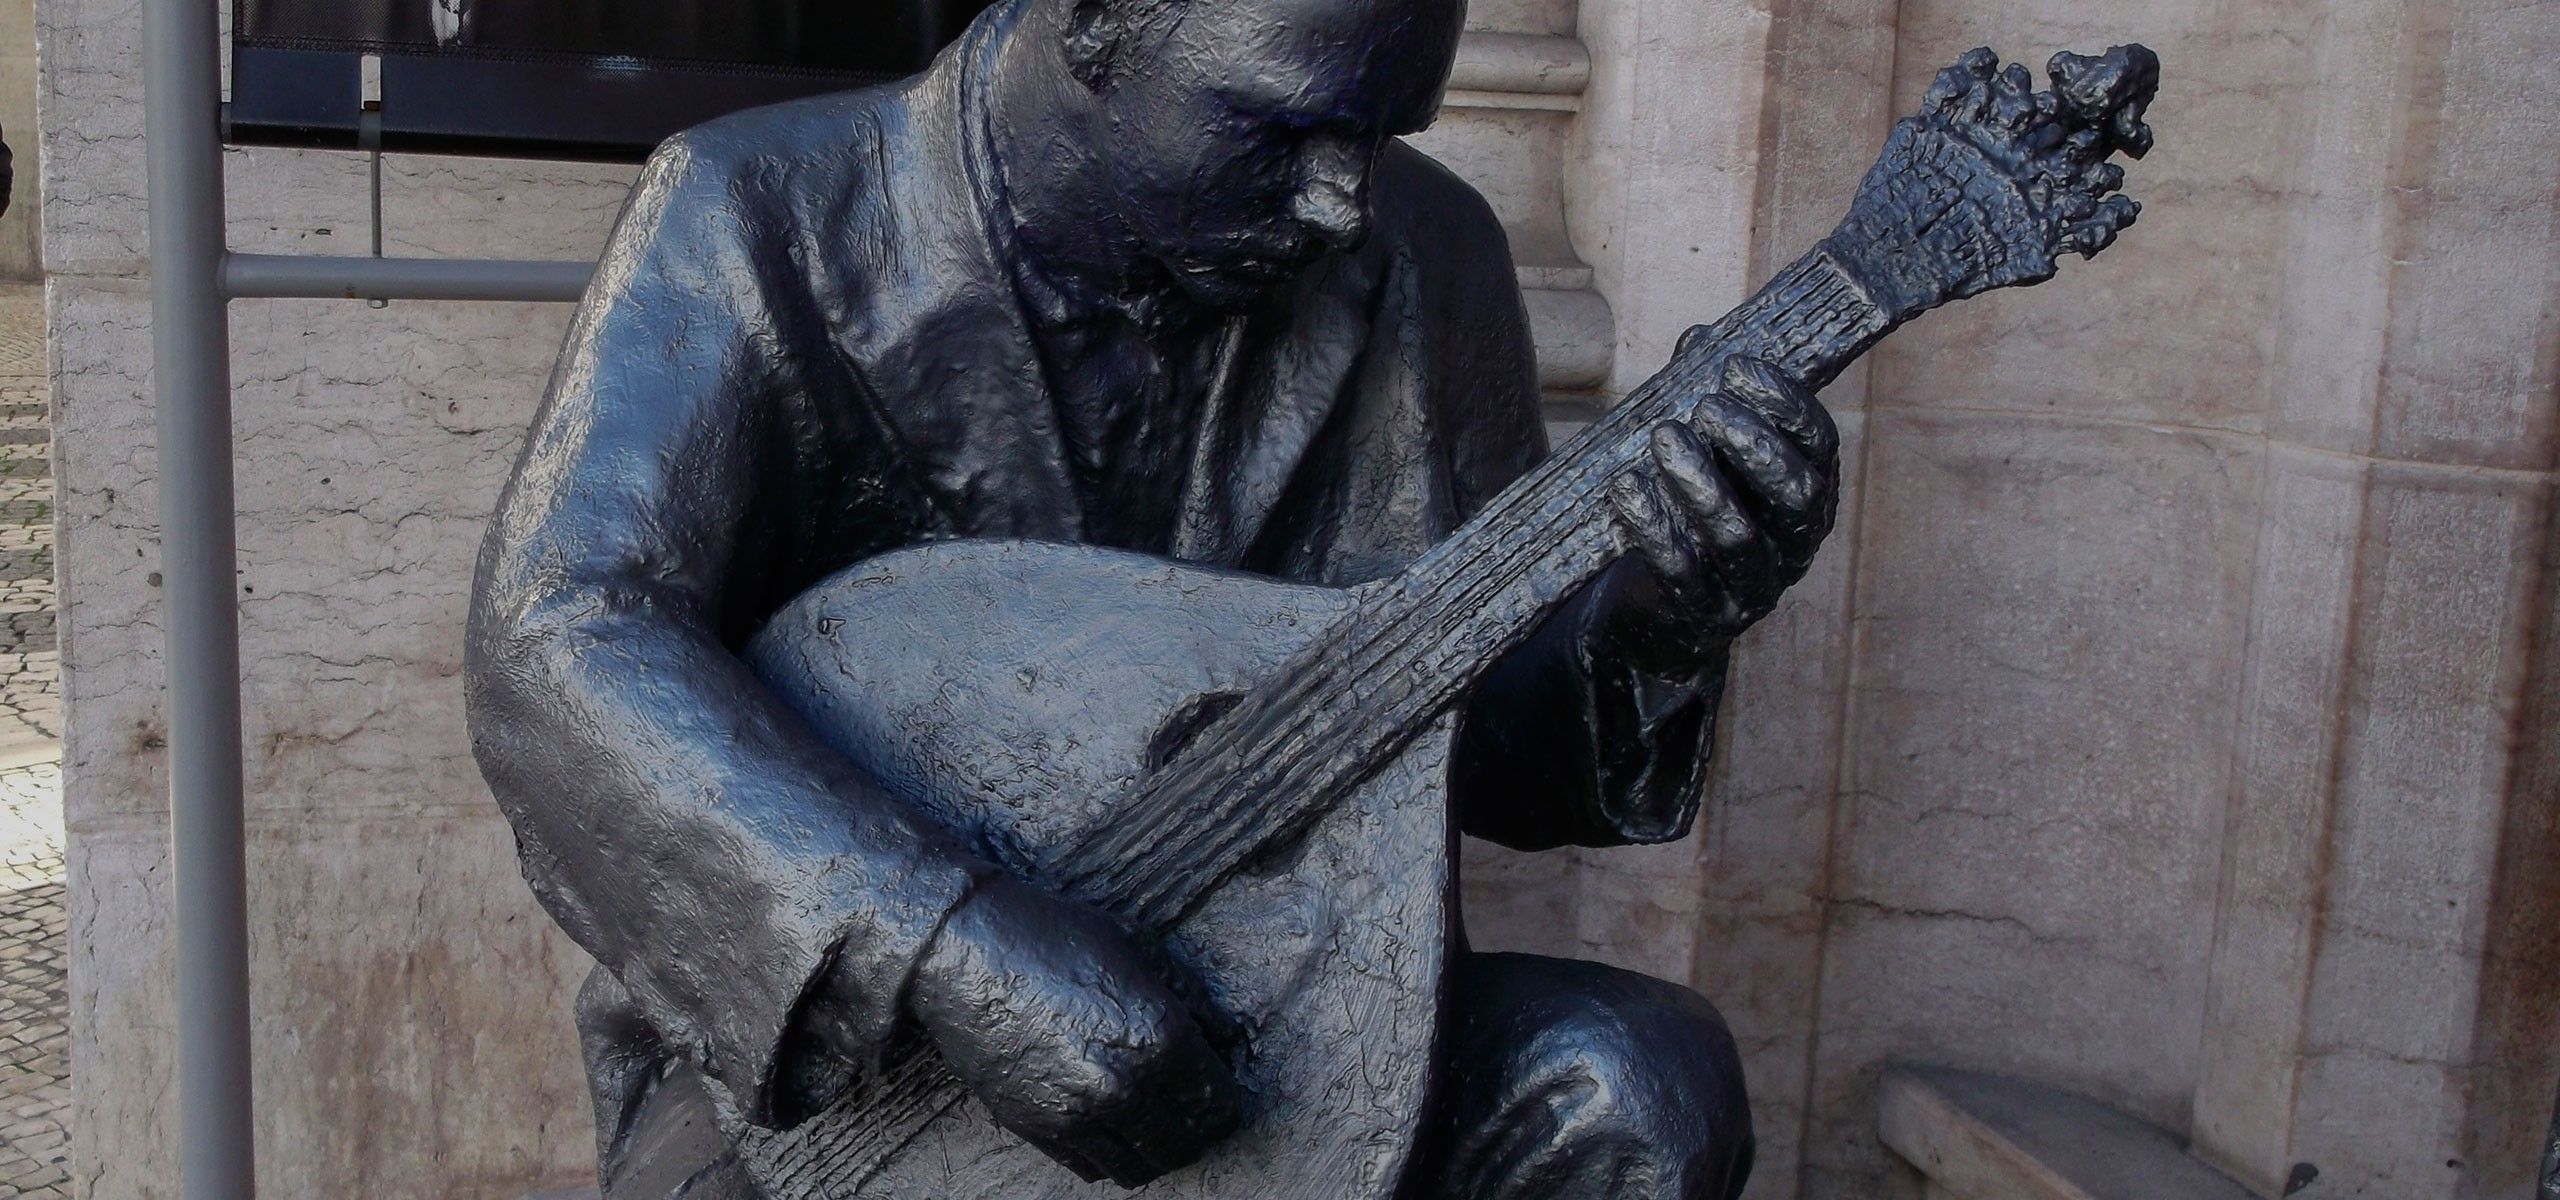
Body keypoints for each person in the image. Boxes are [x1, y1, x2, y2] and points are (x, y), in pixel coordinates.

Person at [466, 0, 1839, 1194]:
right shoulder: (757, 215)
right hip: (844, 1088)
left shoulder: (1424, 256)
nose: (1343, 199)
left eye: (1382, 132)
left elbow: (1491, 742)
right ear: (1097, 24)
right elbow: (564, 628)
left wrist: (1663, 604)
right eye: (1279, 129)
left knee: (1638, 1094)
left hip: (1289, 1036)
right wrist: (947, 944)